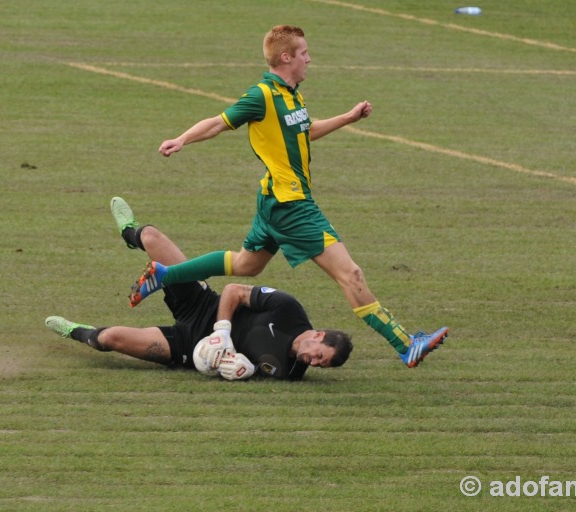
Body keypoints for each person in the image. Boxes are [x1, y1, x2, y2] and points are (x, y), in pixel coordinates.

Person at [128, 24, 447, 367]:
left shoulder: (292, 94)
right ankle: (404, 343)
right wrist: (182, 140)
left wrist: (348, 117)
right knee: (350, 275)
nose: (309, 59)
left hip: (273, 201)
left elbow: (304, 131)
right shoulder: (262, 95)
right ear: (286, 57)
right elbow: (219, 122)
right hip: (292, 206)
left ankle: (165, 275)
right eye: (304, 53)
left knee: (245, 264)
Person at [45, 198, 353, 381]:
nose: (312, 363)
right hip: (202, 305)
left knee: (108, 338)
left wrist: (235, 370)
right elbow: (233, 290)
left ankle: (74, 330)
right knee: (151, 237)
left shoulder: (288, 372)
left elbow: (245, 369)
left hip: (188, 346)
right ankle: (129, 231)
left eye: (320, 365)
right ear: (318, 335)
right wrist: (222, 331)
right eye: (319, 356)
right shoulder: (288, 310)